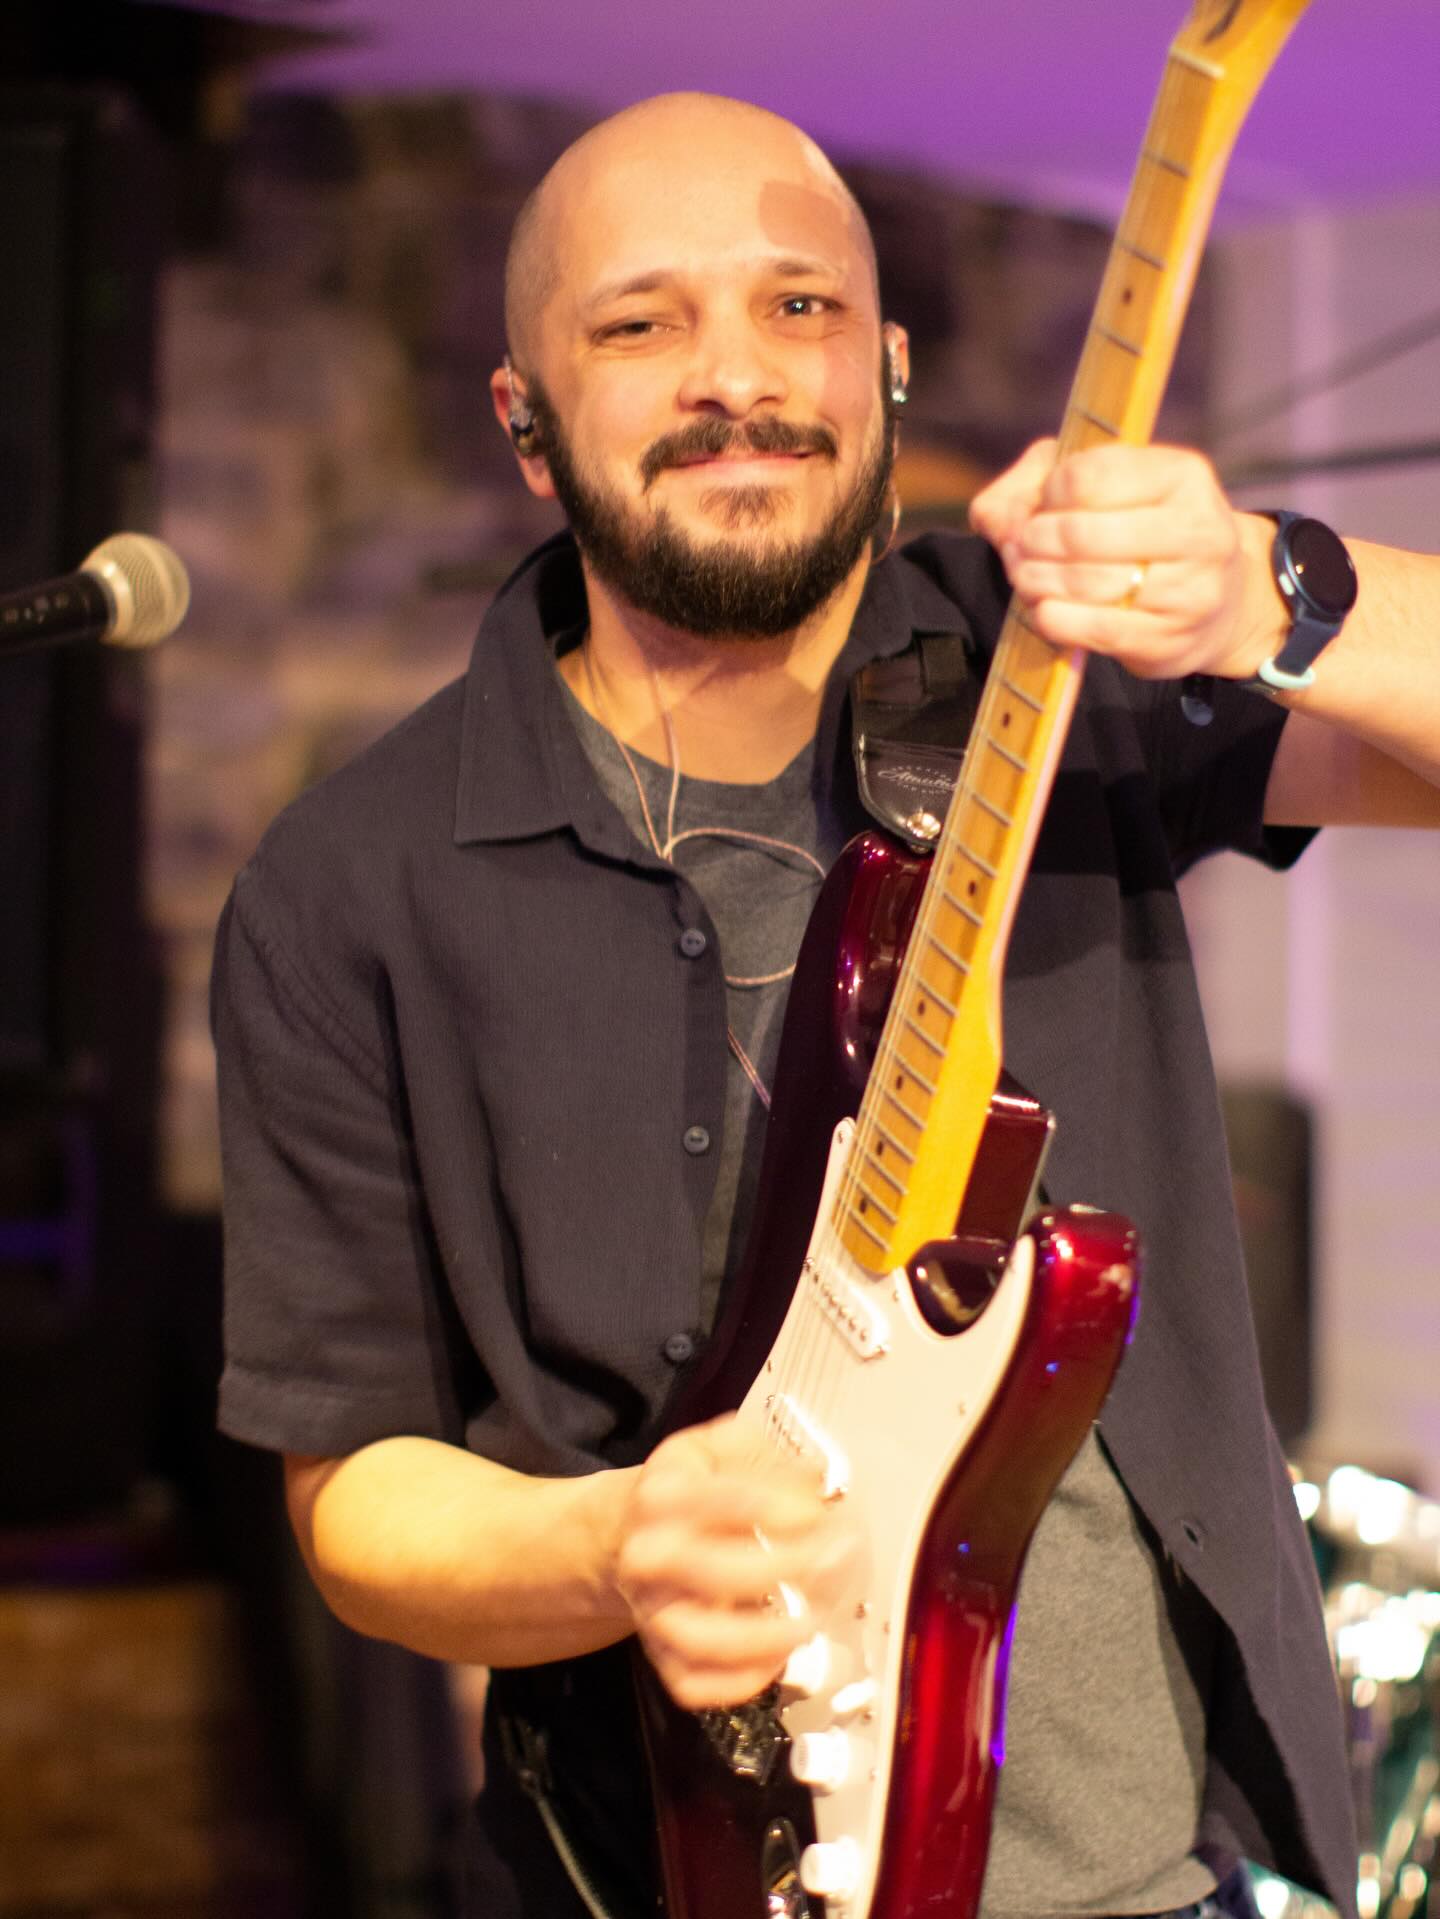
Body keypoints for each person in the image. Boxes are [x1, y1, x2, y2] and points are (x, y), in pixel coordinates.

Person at [212, 92, 1440, 1919]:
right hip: (641, 1875)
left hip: (1166, 1881)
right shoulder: (352, 881)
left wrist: (1274, 589)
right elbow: (356, 1494)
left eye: (798, 310)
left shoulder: (1053, 671)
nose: (736, 376)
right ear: (526, 423)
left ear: (887, 364)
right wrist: (611, 1543)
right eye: (640, 323)